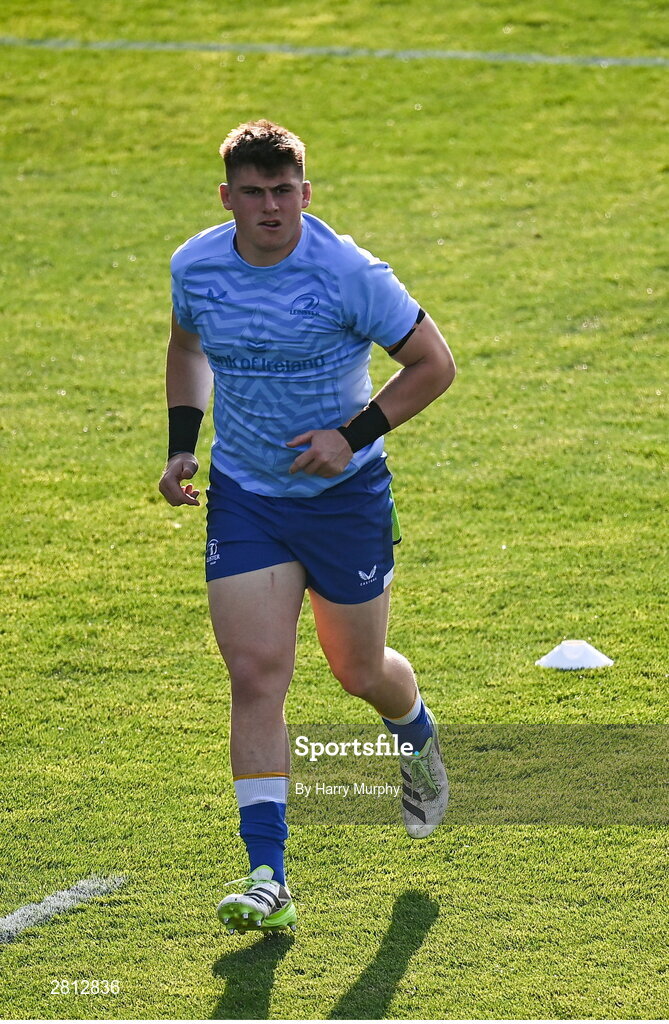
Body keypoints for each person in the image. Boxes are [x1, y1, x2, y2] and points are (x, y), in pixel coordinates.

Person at [159, 120, 456, 935]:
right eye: (251, 193)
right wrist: (183, 448)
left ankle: (414, 731)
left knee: (358, 671)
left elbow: (433, 364)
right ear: (227, 197)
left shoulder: (347, 274)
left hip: (345, 499)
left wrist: (349, 437)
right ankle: (268, 874)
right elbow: (188, 349)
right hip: (247, 496)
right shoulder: (196, 265)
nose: (268, 208)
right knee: (256, 673)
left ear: (305, 193)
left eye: (282, 191)